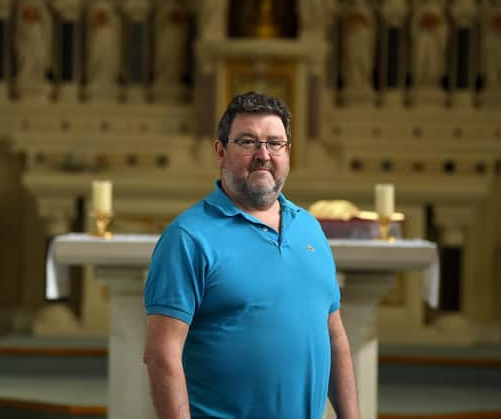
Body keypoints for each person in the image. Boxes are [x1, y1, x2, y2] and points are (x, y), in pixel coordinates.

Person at [143, 91, 359, 419]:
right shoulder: (188, 237)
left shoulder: (310, 229)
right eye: (247, 142)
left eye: (275, 143)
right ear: (220, 150)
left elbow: (334, 335)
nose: (263, 154)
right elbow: (161, 356)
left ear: (287, 152)